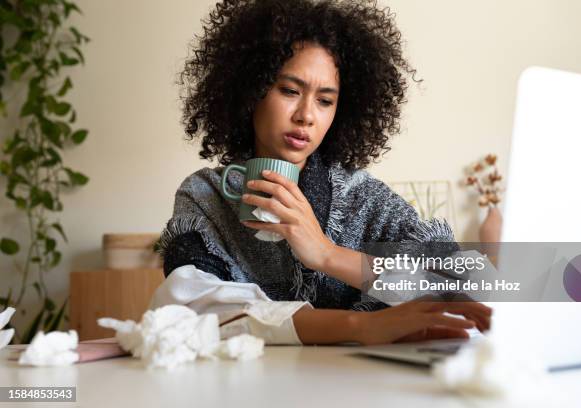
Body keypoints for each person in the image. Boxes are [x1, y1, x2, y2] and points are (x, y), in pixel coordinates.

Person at [152, 0, 492, 345]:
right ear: (250, 90)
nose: (306, 116)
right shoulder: (205, 195)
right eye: (289, 91)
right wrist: (359, 326)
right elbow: (189, 308)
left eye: (325, 101)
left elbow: (478, 288)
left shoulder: (363, 198)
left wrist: (329, 255)